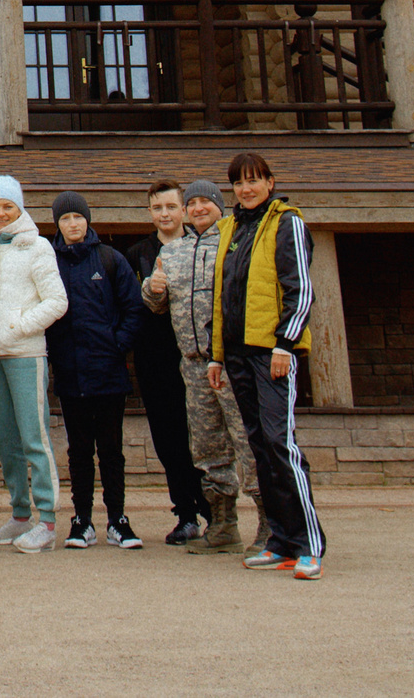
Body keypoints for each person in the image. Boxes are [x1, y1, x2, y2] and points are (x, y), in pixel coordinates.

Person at [212, 153, 324, 580]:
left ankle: (310, 544)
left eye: (255, 180)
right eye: (239, 182)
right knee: (260, 447)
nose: (247, 188)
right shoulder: (233, 229)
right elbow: (225, 295)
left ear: (271, 183)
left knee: (281, 443)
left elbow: (300, 289)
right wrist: (218, 355)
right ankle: (281, 540)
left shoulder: (287, 223)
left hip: (273, 353)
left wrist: (286, 344)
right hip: (237, 354)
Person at [147, 178, 260, 555]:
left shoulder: (233, 244)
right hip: (193, 367)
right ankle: (223, 524)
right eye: (192, 203)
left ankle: (270, 522)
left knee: (247, 443)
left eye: (204, 203)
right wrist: (153, 289)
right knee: (208, 449)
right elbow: (158, 306)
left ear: (218, 206)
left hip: (231, 364)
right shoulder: (174, 252)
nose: (198, 209)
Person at [43, 192, 144, 550]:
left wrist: (116, 346)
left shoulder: (110, 259)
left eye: (78, 217)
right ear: (57, 224)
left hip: (109, 373)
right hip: (70, 374)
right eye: (65, 218)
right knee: (79, 450)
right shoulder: (48, 261)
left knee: (112, 449)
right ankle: (81, 519)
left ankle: (117, 519)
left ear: (88, 220)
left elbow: (134, 309)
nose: (73, 224)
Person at [0, 177, 67, 554]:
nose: (0, 214)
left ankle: (46, 519)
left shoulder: (38, 246)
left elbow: (57, 301)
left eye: (7, 207)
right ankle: (19, 514)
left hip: (25, 354)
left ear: (20, 208)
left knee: (34, 437)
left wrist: (18, 326)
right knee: (5, 439)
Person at [129, 179, 206, 545]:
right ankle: (186, 513)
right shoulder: (138, 255)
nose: (165, 214)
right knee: (169, 439)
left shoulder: (202, 248)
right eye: (158, 208)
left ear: (184, 209)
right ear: (150, 212)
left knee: (205, 437)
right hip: (156, 362)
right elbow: (130, 309)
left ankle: (215, 509)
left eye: (171, 207)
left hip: (198, 359)